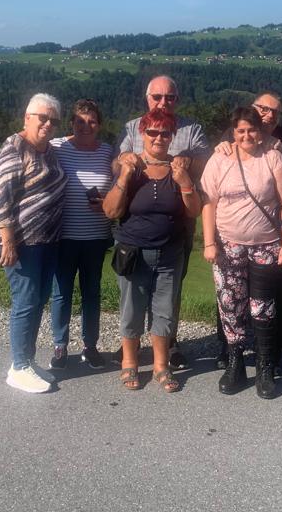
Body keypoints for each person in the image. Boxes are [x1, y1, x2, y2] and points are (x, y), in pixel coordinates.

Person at [200, 106, 282, 398]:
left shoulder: (273, 158)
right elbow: (209, 203)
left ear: (260, 130)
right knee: (231, 305)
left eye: (251, 129)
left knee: (262, 307)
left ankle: (265, 366)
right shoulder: (220, 159)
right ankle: (235, 363)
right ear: (233, 132)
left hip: (266, 245)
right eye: (240, 131)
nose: (246, 135)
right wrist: (208, 242)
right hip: (228, 244)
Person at [103, 109, 202, 393]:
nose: (159, 138)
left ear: (172, 137)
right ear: (141, 135)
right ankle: (129, 362)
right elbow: (110, 210)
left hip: (170, 254)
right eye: (153, 132)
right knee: (131, 310)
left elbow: (193, 211)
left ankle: (161, 366)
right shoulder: (131, 168)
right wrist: (124, 174)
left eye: (165, 133)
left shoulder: (177, 169)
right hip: (133, 253)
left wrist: (184, 181)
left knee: (165, 312)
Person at [117, 75, 210, 368]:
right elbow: (119, 157)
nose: (163, 102)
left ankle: (170, 343)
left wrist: (185, 162)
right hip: (137, 216)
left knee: (170, 290)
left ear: (177, 100)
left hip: (178, 216)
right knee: (136, 290)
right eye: (157, 97)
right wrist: (126, 158)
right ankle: (134, 349)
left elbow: (206, 162)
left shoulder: (191, 128)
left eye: (169, 97)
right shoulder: (133, 126)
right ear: (148, 98)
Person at [0, 92, 68, 394]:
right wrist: (7, 239)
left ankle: (26, 360)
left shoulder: (49, 150)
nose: (48, 124)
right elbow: (1, 197)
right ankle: (19, 367)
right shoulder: (14, 148)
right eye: (43, 118)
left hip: (47, 240)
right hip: (21, 241)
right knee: (25, 302)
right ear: (27, 118)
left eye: (54, 120)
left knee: (38, 300)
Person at [48, 99, 114, 371]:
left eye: (91, 121)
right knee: (61, 293)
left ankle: (90, 346)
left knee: (92, 293)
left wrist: (108, 200)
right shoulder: (57, 147)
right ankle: (60, 345)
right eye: (79, 121)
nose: (85, 126)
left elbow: (119, 187)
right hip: (63, 235)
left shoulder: (108, 151)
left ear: (99, 124)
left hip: (96, 236)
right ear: (71, 123)